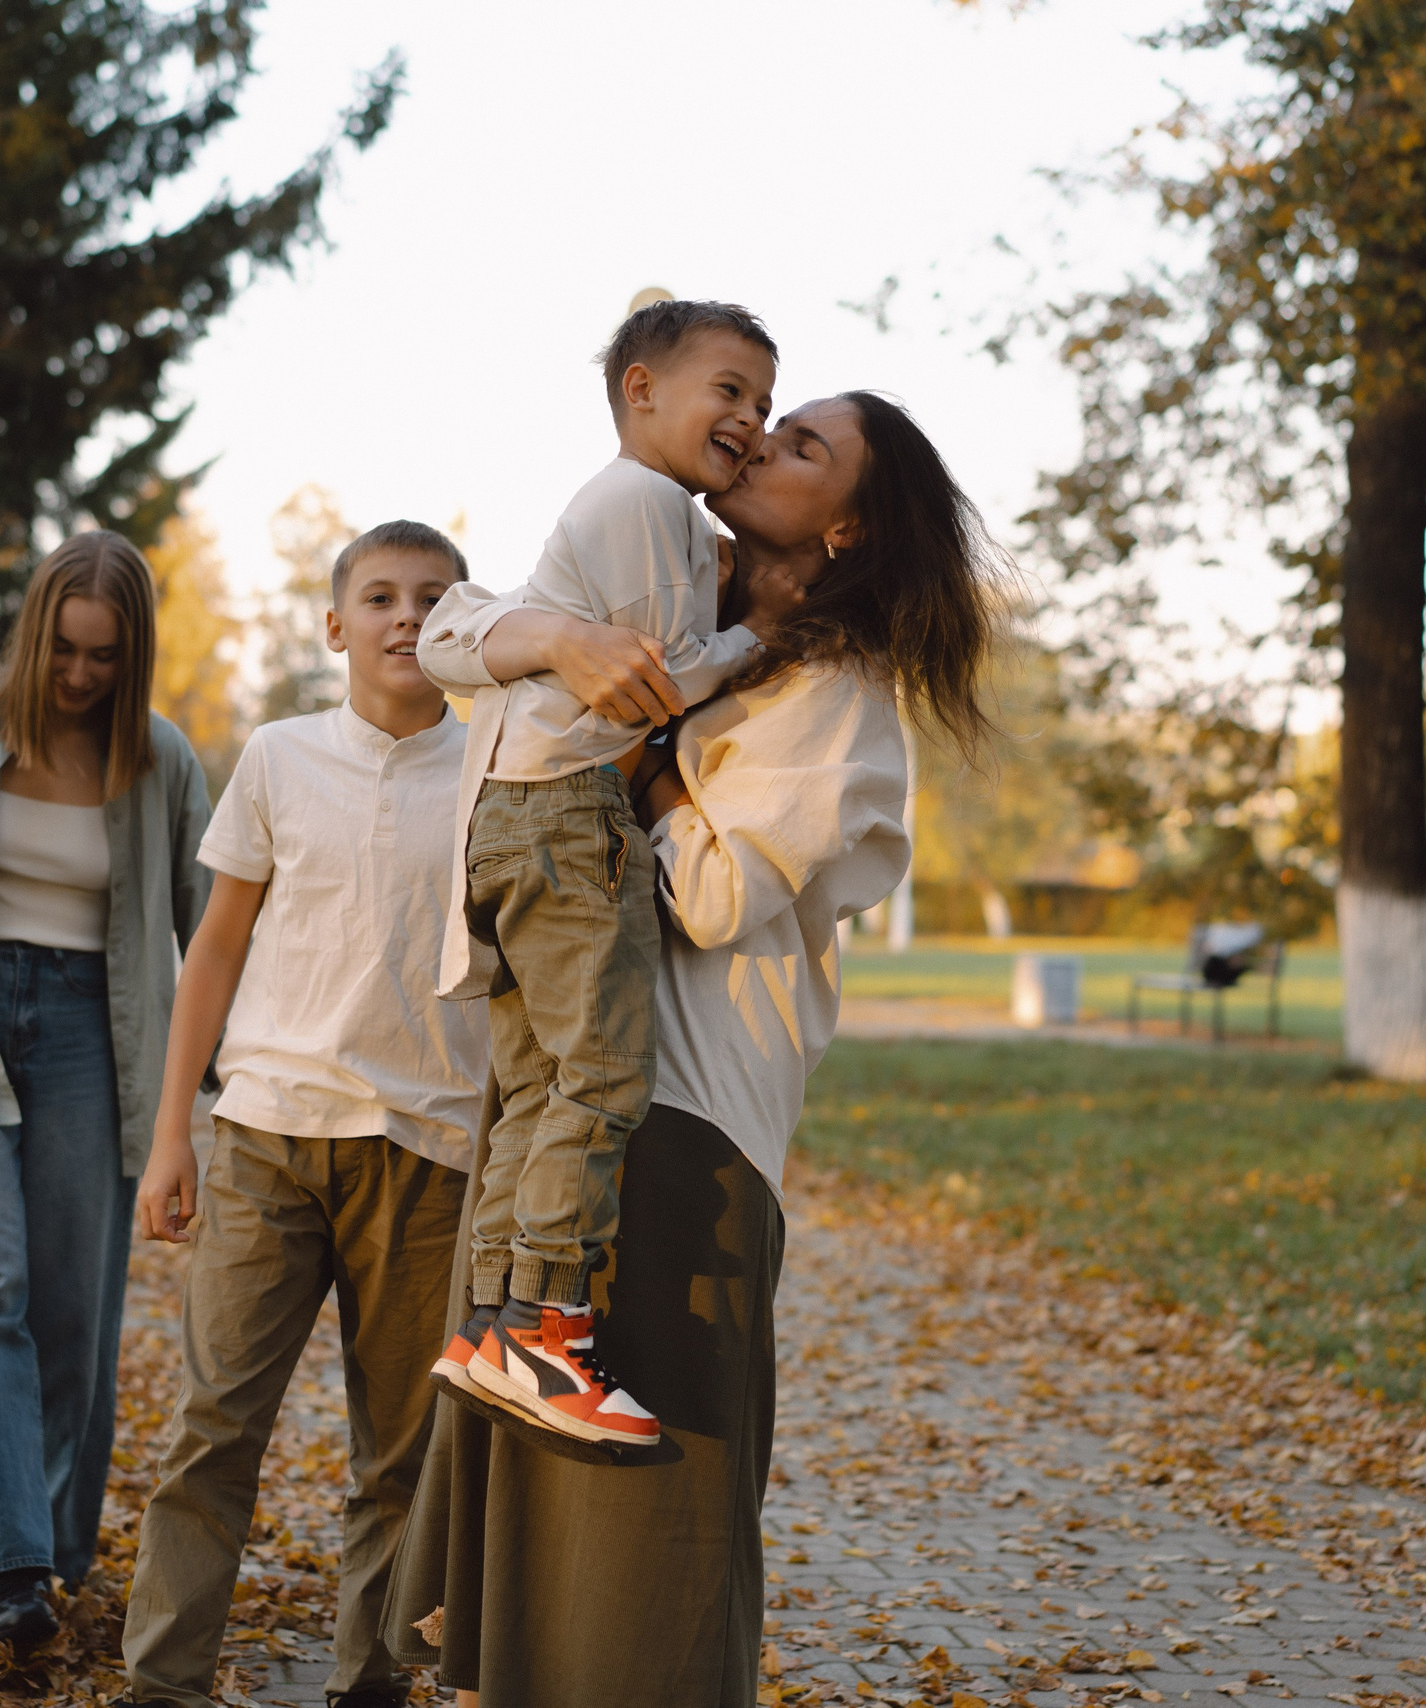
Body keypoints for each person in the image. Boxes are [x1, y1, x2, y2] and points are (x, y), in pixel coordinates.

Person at [389, 392, 1010, 1706]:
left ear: (846, 522)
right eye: (762, 418)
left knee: (642, 1528)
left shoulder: (836, 694)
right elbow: (446, 628)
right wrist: (558, 638)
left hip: (687, 1122)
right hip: (563, 1098)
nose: (757, 439)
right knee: (534, 1493)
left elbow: (716, 897)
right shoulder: (657, 588)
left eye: (800, 445)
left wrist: (642, 764)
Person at [114, 521, 488, 1708]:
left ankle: (370, 1679)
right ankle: (162, 1682)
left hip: (429, 1151)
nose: (403, 617)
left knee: (402, 1451)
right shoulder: (278, 758)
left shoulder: (495, 767)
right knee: (212, 1430)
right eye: (377, 596)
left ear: (461, 624)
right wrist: (174, 1129)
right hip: (268, 1136)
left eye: (432, 598)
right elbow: (212, 949)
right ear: (335, 627)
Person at [424, 298, 777, 1454]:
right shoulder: (640, 498)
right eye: (728, 390)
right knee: (601, 1076)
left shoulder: (649, 513)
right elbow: (658, 681)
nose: (750, 421)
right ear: (641, 387)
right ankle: (547, 1330)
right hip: (569, 816)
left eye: (764, 404)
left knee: (535, 1084)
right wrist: (765, 635)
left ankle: (491, 1324)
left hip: (516, 816)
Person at [0, 531, 214, 1650]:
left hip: (93, 1027)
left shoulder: (160, 759)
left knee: (71, 1310)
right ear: (34, 634)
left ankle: (54, 1549)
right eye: (65, 650)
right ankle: (12, 1563)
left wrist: (215, 1096)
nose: (80, 676)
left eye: (105, 658)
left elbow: (210, 927)